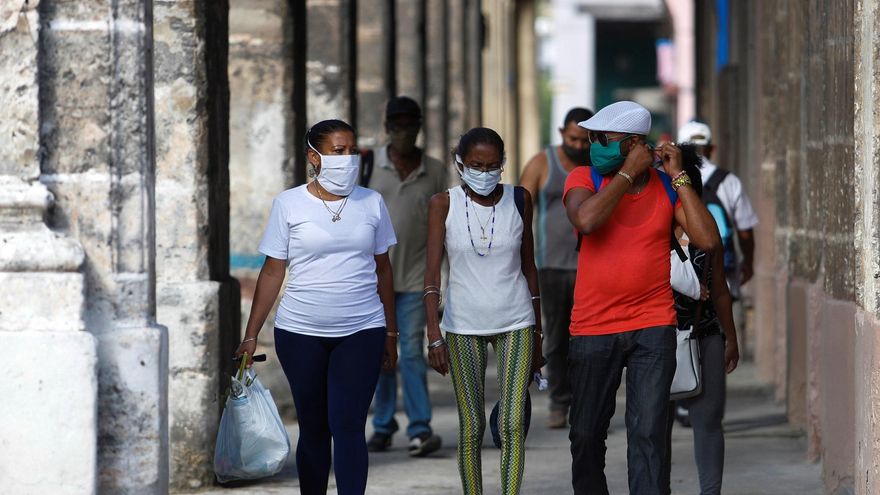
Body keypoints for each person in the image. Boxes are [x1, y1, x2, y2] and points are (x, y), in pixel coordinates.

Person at [562, 101, 720, 495]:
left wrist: (679, 176)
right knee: (585, 434)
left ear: (633, 143)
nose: (592, 145)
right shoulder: (583, 179)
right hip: (593, 326)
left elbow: (707, 240)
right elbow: (586, 220)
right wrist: (628, 173)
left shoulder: (667, 187)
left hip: (653, 324)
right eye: (592, 137)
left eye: (602, 138)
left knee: (648, 433)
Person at [234, 119, 398, 495]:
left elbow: (383, 270)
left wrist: (391, 331)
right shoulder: (289, 203)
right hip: (300, 332)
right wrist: (250, 335)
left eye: (352, 150)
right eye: (338, 151)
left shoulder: (372, 203)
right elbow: (273, 272)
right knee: (314, 427)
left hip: (362, 330)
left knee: (349, 424)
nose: (348, 158)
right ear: (314, 156)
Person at [424, 127, 544, 495]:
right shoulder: (442, 204)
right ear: (460, 164)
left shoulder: (520, 199)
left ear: (503, 165)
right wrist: (433, 336)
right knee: (472, 424)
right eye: (477, 165)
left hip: (517, 320)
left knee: (511, 423)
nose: (485, 172)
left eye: (493, 165)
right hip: (462, 324)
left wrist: (539, 332)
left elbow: (529, 266)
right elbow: (431, 277)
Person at [365, 96, 446, 456]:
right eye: (396, 126)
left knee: (411, 352)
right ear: (387, 129)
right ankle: (383, 425)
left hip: (414, 280)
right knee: (381, 354)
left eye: (409, 125)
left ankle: (420, 428)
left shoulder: (435, 170)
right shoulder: (369, 168)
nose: (403, 133)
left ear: (418, 128)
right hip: (372, 282)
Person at [663, 156, 740, 495]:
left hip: (704, 334)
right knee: (653, 427)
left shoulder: (706, 232)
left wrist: (730, 338)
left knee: (707, 422)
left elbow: (721, 290)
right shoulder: (648, 231)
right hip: (654, 338)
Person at [519, 107, 593, 429]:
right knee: (556, 337)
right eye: (573, 138)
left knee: (587, 339)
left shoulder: (596, 165)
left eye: (584, 139)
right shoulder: (542, 163)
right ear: (563, 133)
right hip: (550, 266)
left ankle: (585, 402)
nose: (578, 145)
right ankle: (559, 401)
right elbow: (521, 206)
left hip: (589, 267)